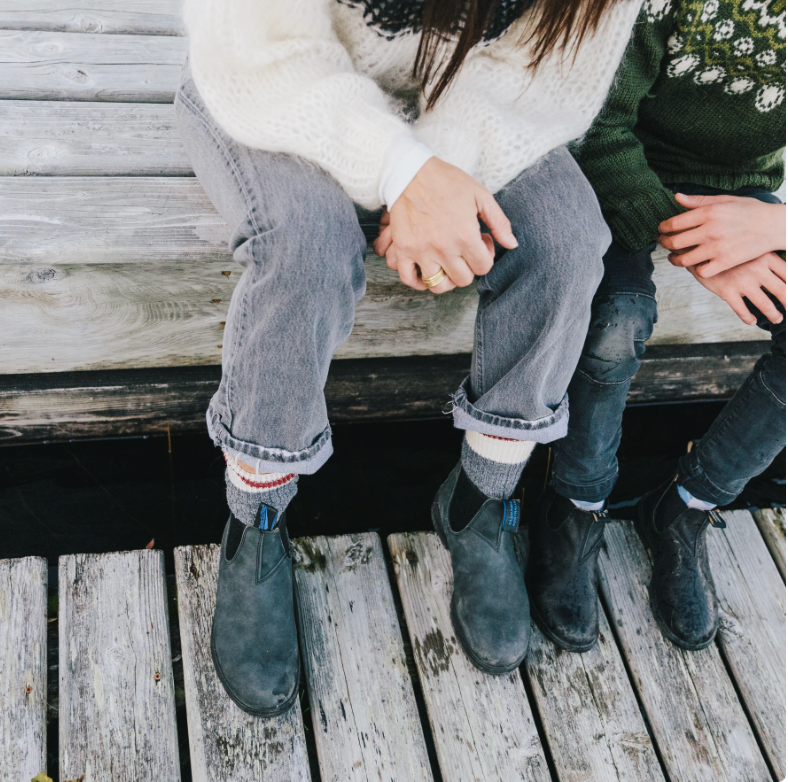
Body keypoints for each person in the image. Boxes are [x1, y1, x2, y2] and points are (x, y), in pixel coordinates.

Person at [177, 0, 643, 715]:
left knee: (567, 242)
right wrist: (402, 170)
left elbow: (544, 74)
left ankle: (480, 499)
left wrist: (440, 170)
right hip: (271, 77)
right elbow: (260, 48)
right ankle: (256, 518)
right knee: (305, 247)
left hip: (470, 104)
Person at [531, 0, 785, 653]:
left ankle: (685, 507)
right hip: (614, 168)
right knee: (617, 321)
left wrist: (770, 225)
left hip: (744, 195)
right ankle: (575, 506)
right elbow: (596, 123)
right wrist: (699, 243)